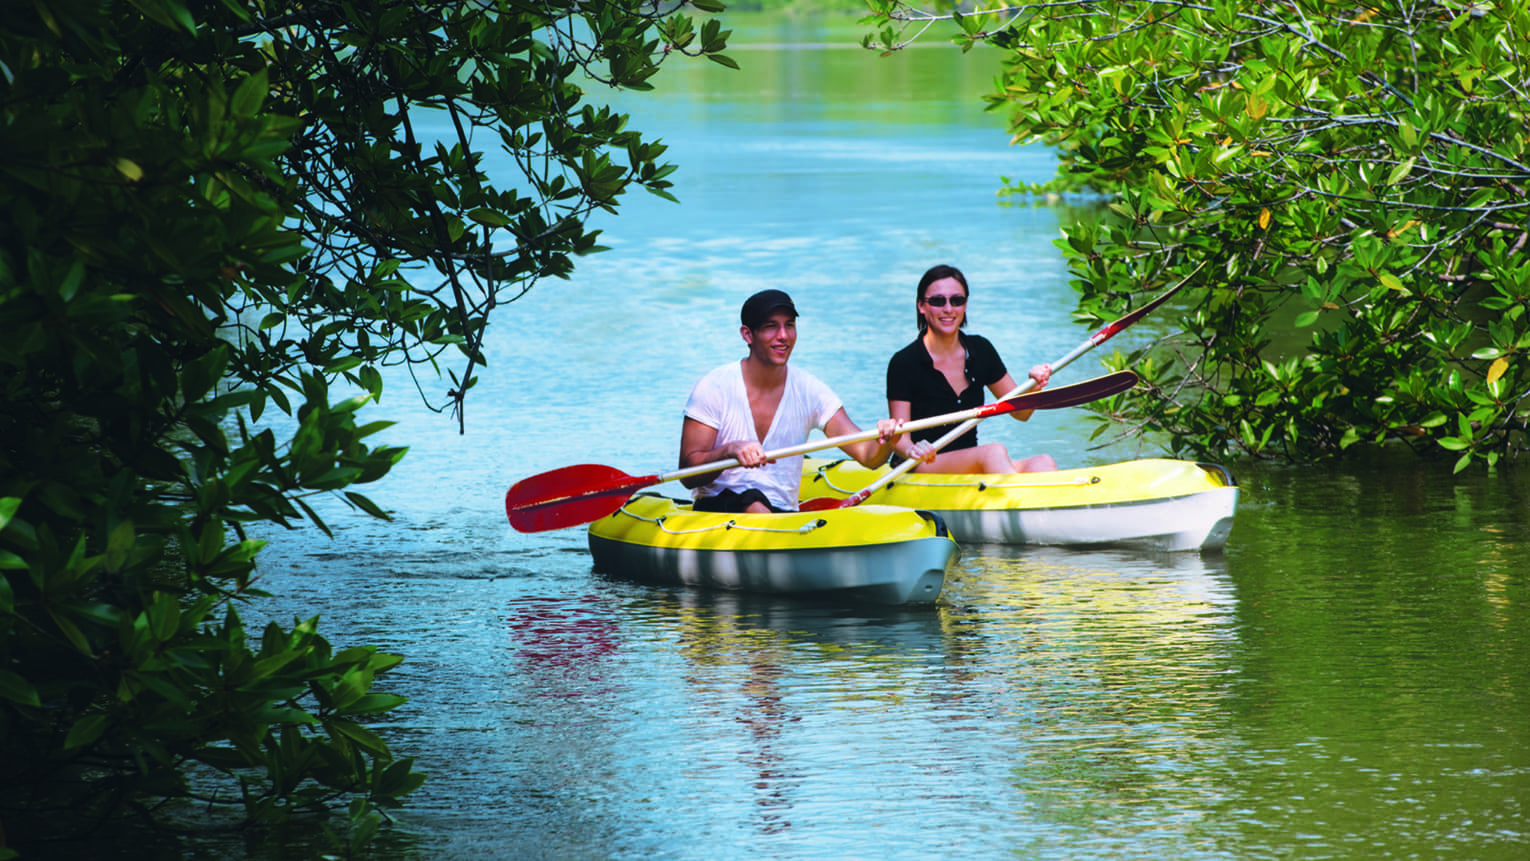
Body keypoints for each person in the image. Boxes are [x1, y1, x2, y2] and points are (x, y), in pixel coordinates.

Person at [679, 289, 907, 514]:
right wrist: (730, 450)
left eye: (789, 325)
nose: (784, 335)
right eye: (771, 326)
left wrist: (886, 439)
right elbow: (688, 475)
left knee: (760, 505)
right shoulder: (714, 387)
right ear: (747, 335)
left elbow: (867, 456)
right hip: (719, 508)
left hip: (782, 514)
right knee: (752, 501)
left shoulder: (811, 390)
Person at [885, 264, 1059, 474]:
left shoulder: (981, 350)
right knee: (993, 452)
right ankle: (1015, 504)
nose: (948, 309)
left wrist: (1035, 385)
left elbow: (1021, 413)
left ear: (965, 305)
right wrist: (913, 449)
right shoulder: (904, 362)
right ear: (922, 306)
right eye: (938, 301)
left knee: (1043, 462)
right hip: (922, 463)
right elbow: (899, 439)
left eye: (957, 300)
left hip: (969, 460)